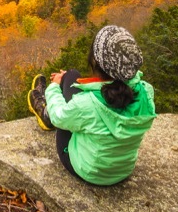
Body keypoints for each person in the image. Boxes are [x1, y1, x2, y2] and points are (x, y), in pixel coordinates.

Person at [27, 24, 156, 186]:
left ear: (94, 61)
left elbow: (59, 117)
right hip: (123, 170)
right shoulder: (147, 92)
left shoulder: (87, 104)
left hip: (89, 171)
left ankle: (45, 113)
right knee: (72, 76)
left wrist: (54, 87)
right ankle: (64, 82)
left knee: (69, 83)